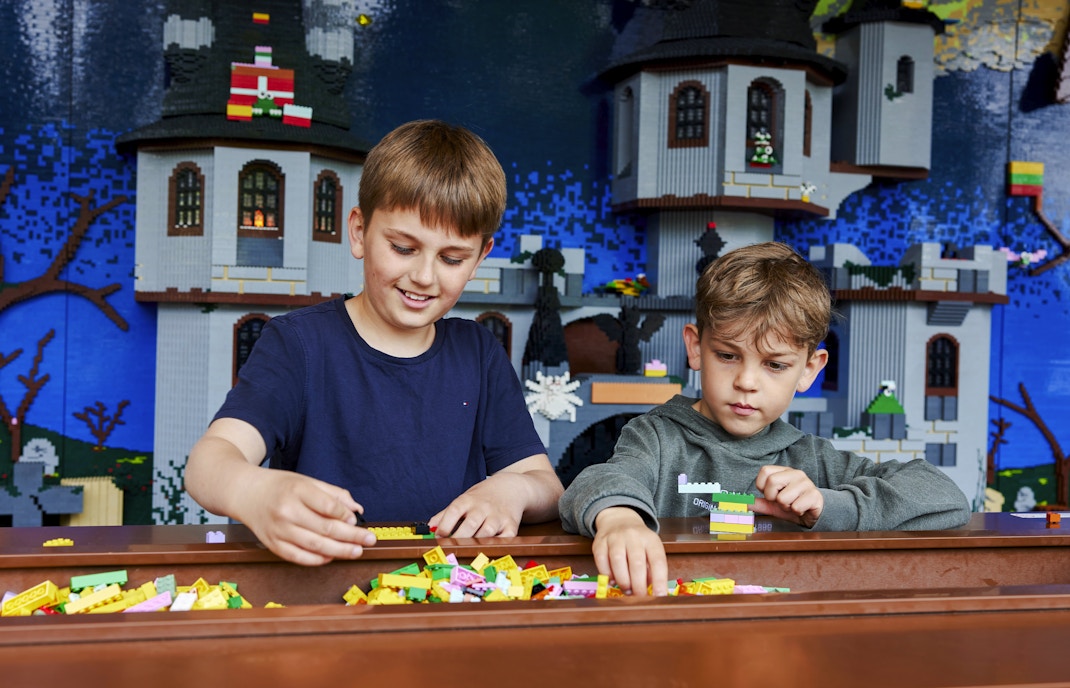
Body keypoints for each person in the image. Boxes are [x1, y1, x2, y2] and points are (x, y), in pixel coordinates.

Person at [185, 120, 563, 566]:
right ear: (359, 231)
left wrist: (513, 489)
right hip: (322, 590)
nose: (424, 276)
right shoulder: (298, 344)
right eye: (403, 248)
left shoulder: (478, 353)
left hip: (445, 592)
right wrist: (254, 490)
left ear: (480, 257)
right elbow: (208, 463)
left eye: (451, 258)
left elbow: (546, 486)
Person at [558, 241, 972, 596]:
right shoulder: (656, 437)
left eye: (774, 365)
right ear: (696, 347)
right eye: (727, 355)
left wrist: (831, 506)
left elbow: (943, 496)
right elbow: (600, 479)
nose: (746, 382)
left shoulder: (812, 459)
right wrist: (619, 517)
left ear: (809, 369)